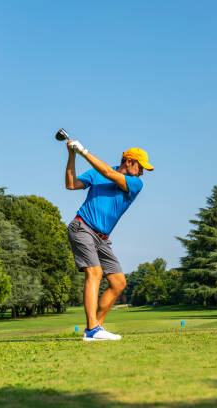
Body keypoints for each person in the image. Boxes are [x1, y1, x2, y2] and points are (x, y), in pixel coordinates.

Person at [65, 138, 153, 341]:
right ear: (129, 161)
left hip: (102, 238)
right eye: (141, 167)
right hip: (82, 228)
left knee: (118, 283)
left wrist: (82, 151)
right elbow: (71, 184)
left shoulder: (135, 183)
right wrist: (72, 155)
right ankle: (92, 330)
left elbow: (108, 173)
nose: (142, 172)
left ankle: (96, 326)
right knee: (94, 272)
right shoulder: (98, 172)